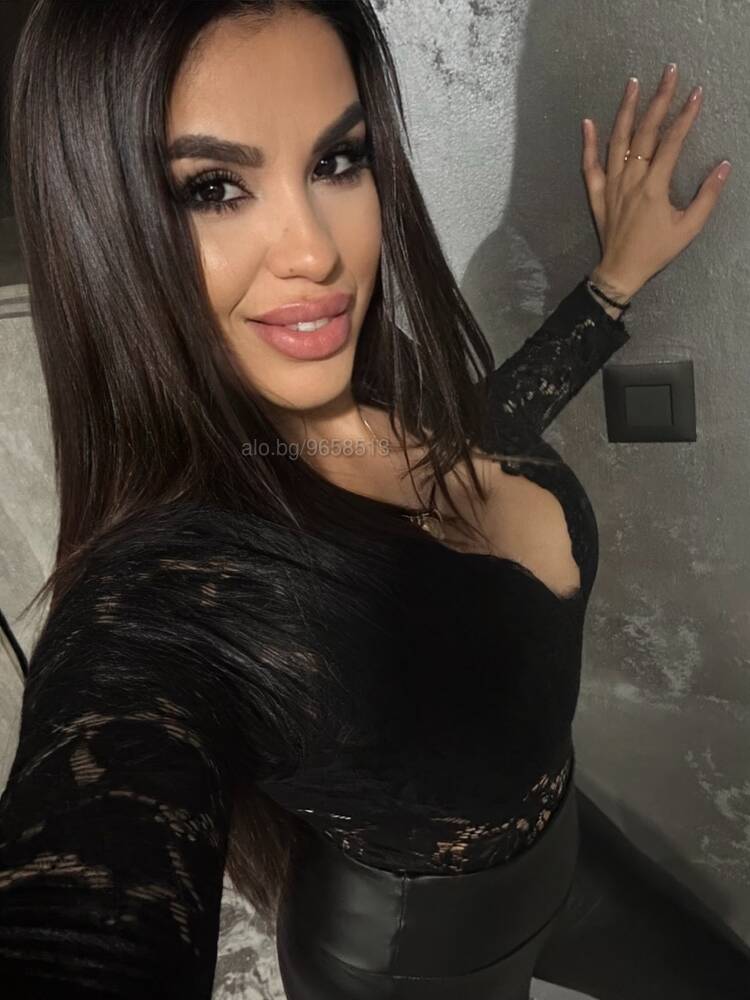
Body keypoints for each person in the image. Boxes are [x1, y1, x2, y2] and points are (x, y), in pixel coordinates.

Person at [0, 1, 728, 998]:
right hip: (402, 962)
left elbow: (481, 440)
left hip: (572, 857)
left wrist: (609, 289)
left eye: (338, 161)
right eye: (214, 187)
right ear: (103, 229)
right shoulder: (166, 599)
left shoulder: (387, 379)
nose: (316, 253)